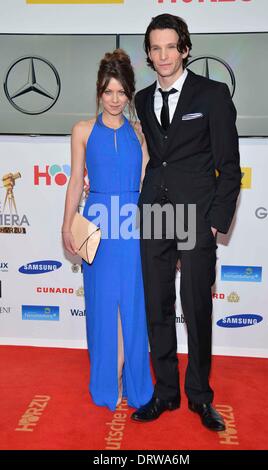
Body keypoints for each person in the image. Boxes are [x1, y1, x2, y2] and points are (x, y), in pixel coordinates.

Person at [131, 14, 241, 431]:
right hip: (156, 213)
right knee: (157, 306)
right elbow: (156, 158)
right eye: (155, 48)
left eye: (170, 47)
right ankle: (165, 392)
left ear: (185, 49)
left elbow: (229, 166)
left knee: (195, 309)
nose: (163, 55)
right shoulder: (142, 98)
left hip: (196, 215)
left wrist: (214, 222)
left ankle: (199, 396)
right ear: (148, 54)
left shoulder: (212, 95)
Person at [62, 49, 153, 411]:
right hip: (95, 222)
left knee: (132, 305)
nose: (114, 100)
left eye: (121, 92)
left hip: (132, 224)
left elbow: (149, 184)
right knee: (101, 305)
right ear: (99, 92)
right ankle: (107, 378)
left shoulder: (140, 133)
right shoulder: (82, 130)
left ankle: (130, 378)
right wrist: (67, 223)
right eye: (107, 92)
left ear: (129, 93)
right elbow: (74, 181)